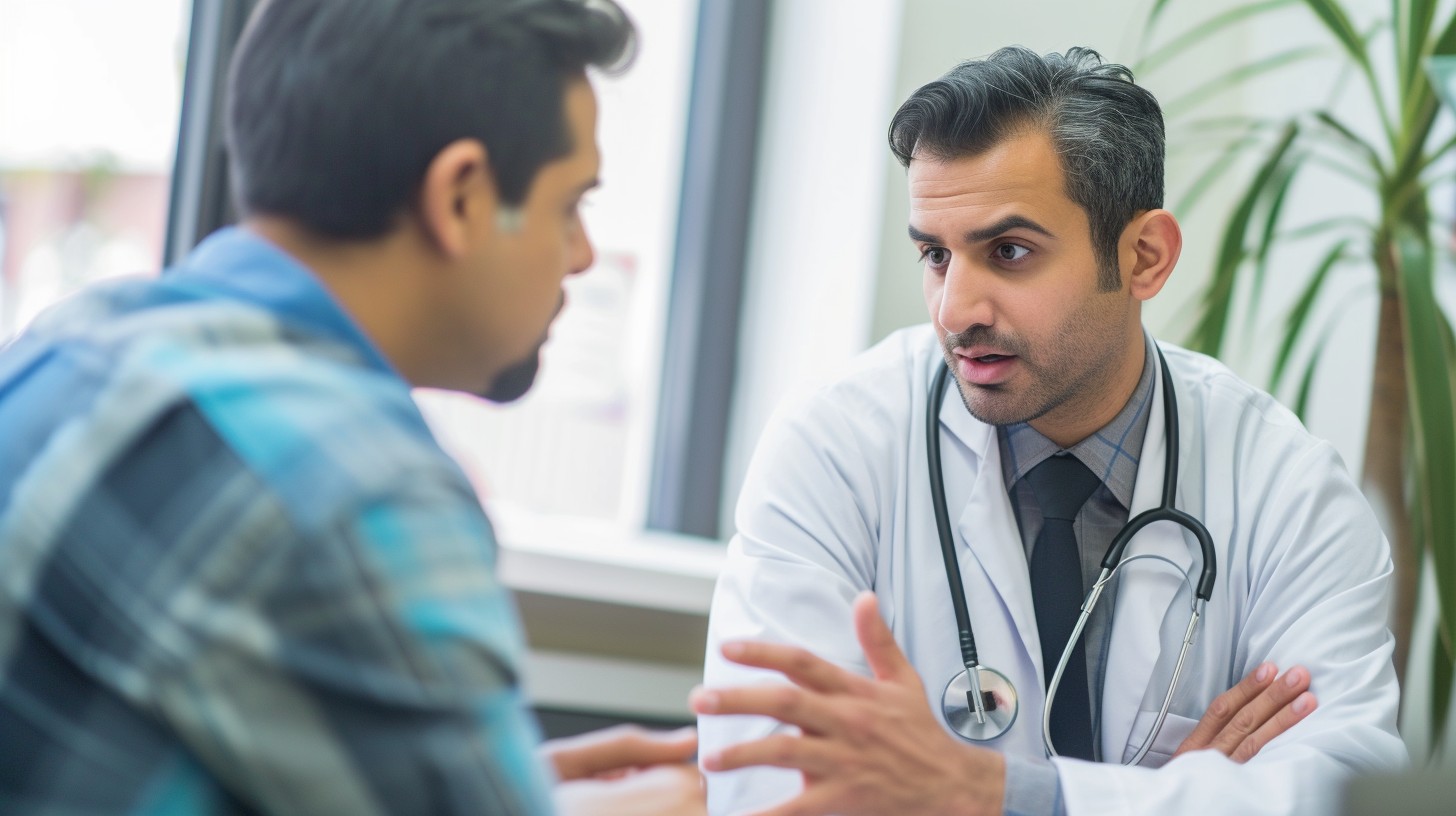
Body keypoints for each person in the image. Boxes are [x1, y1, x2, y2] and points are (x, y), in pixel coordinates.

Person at [0, 1, 703, 813]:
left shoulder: (68, 343)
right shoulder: (357, 484)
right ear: (463, 198)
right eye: (569, 205)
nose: (582, 256)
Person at [693, 47, 1406, 815]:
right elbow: (770, 786)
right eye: (936, 254)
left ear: (1144, 257)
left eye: (1009, 252)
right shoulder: (832, 449)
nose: (954, 310)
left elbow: (1346, 792)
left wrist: (996, 795)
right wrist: (1169, 800)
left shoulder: (1288, 491)